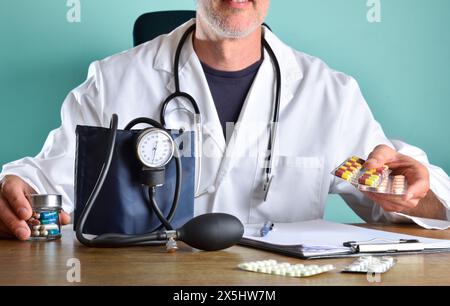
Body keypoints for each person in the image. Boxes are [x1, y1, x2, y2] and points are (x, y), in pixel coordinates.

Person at [1, 0, 449, 240]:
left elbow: (399, 200)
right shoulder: (113, 80)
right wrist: (12, 189)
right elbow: (45, 182)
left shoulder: (329, 93)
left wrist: (416, 190)